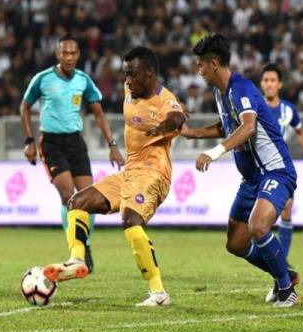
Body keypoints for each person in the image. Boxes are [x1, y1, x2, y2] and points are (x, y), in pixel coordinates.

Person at [42, 47, 185, 306]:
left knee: (131, 219)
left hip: (154, 173)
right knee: (77, 203)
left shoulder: (165, 100)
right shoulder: (131, 92)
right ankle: (77, 259)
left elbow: (177, 117)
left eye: (132, 75)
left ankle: (158, 292)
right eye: (125, 74)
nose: (127, 81)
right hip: (129, 172)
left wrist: (164, 126)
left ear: (150, 74)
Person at [180, 34, 300, 307]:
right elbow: (226, 126)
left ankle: (286, 290)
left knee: (258, 227)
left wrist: (214, 152)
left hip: (276, 172)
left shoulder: (241, 89)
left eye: (200, 65)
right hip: (251, 180)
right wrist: (191, 133)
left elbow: (248, 127)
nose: (198, 71)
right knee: (235, 243)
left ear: (213, 63)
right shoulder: (219, 93)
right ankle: (286, 274)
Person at [20, 34, 125, 273]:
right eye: (64, 53)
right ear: (58, 55)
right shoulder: (43, 79)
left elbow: (98, 113)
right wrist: (29, 140)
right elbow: (25, 106)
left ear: (78, 55)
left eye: (72, 53)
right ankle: (74, 249)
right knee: (68, 195)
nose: (68, 57)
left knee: (89, 197)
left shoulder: (83, 81)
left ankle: (84, 244)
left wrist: (112, 144)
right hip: (52, 143)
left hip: (75, 141)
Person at [260, 64, 303, 284]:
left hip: (280, 169)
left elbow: (300, 132)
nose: (269, 84)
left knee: (286, 209)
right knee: (257, 226)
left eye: (273, 80)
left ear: (280, 84)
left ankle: (282, 271)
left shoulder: (288, 110)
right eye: (265, 80)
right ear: (261, 84)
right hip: (258, 170)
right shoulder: (255, 107)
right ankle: (279, 269)